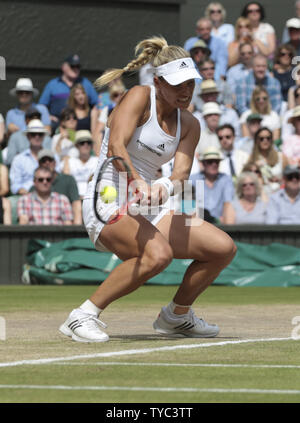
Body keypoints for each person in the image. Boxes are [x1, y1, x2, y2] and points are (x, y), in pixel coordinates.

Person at [59, 36, 236, 343]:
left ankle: (176, 317)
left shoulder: (191, 125)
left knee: (222, 248)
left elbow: (181, 172)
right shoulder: (139, 96)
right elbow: (115, 146)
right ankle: (83, 315)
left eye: (190, 84)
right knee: (158, 255)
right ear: (158, 82)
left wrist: (163, 188)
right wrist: (138, 183)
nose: (185, 91)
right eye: (177, 84)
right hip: (106, 200)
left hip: (147, 207)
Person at [39, 54, 99, 134]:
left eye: (78, 67)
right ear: (63, 67)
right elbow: (41, 106)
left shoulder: (86, 83)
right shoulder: (53, 84)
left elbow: (97, 103)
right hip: (58, 125)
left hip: (82, 124)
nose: (75, 69)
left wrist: (94, 115)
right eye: (72, 66)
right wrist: (48, 117)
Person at [36, 149, 82, 224]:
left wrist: (76, 228)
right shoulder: (37, 183)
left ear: (55, 162)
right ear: (39, 164)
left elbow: (76, 203)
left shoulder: (68, 179)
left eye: (50, 160)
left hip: (64, 223)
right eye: (44, 161)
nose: (47, 163)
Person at [190, 146, 235, 222]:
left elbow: (228, 203)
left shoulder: (226, 179)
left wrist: (225, 221)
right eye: (210, 161)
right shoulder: (192, 179)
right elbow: (187, 206)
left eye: (216, 161)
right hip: (198, 222)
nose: (214, 164)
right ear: (203, 163)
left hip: (220, 222)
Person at [9, 119, 49, 195]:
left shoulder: (53, 158)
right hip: (25, 196)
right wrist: (28, 195)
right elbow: (15, 185)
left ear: (44, 136)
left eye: (40, 134)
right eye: (33, 134)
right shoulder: (19, 159)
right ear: (28, 136)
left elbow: (58, 179)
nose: (37, 137)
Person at [246, 127, 289, 195]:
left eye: (268, 138)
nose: (265, 140)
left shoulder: (281, 157)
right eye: (261, 139)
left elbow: (289, 178)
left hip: (279, 193)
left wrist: (279, 180)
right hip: (260, 195)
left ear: (271, 140)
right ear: (257, 140)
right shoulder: (252, 159)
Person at [61, 130, 98, 199]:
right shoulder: (70, 161)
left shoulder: (97, 161)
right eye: (82, 143)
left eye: (88, 142)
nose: (85, 145)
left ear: (91, 145)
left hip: (92, 197)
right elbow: (65, 179)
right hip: (73, 197)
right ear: (76, 146)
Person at [93, 80, 127, 154]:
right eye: (115, 95)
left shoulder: (130, 109)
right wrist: (98, 153)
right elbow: (97, 132)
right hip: (110, 145)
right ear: (112, 97)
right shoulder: (107, 110)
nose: (119, 97)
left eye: (122, 94)